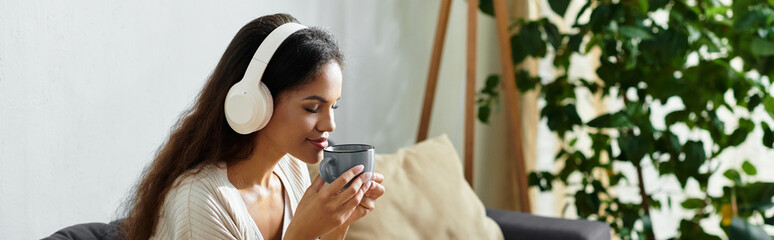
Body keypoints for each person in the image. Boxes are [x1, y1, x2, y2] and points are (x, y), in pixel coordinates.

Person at [120, 13, 385, 240]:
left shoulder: (291, 168)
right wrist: (301, 234)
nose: (330, 124)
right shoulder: (200, 202)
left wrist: (337, 224)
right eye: (312, 108)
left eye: (333, 106)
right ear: (256, 102)